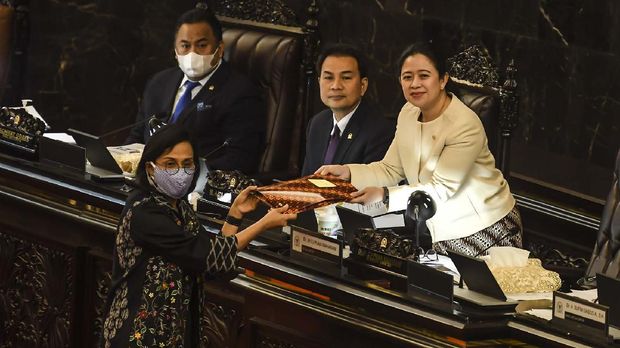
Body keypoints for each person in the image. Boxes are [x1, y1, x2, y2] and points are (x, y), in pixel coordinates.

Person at [316, 42, 522, 256]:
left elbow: (440, 190)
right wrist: (348, 172)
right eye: (407, 77)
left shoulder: (464, 124)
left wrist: (385, 196)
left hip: (483, 227)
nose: (415, 84)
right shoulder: (408, 112)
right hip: (436, 224)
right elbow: (389, 169)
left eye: (424, 76)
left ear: (443, 80)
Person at [101, 124, 296, 347]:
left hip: (175, 332)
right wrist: (262, 225)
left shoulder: (180, 208)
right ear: (150, 168)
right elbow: (205, 253)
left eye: (187, 164)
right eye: (170, 164)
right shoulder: (143, 210)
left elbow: (207, 262)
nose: (180, 172)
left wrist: (234, 216)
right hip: (137, 333)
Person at [126, 5, 265, 174]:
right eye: (185, 46)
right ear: (175, 51)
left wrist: (184, 172)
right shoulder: (159, 82)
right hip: (145, 178)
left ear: (219, 49)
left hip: (196, 187)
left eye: (201, 45)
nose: (192, 53)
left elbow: (240, 159)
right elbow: (137, 136)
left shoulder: (240, 93)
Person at [301, 44, 395, 176]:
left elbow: (370, 188)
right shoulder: (317, 123)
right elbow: (305, 180)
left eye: (346, 78)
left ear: (363, 85)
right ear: (319, 82)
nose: (336, 86)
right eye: (328, 77)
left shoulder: (379, 131)